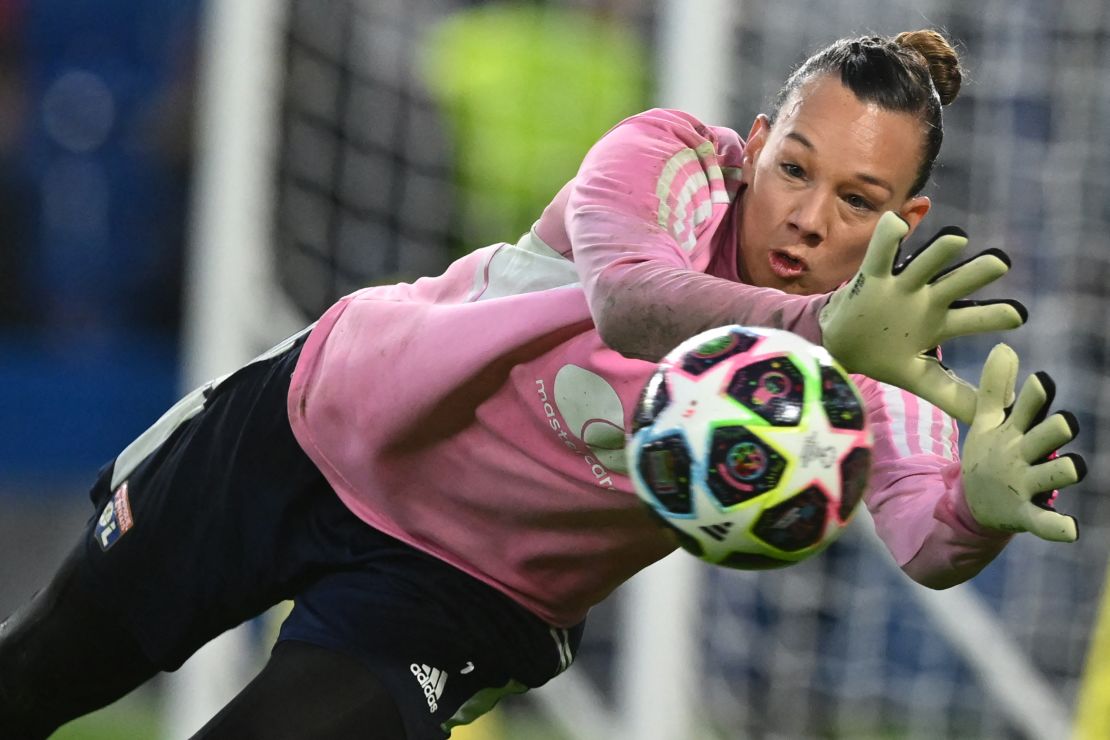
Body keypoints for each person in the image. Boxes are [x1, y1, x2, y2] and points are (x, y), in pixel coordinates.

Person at [0, 29, 1085, 740]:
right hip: (307, 433)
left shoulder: (887, 358)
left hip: (456, 594)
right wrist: (816, 327)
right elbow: (632, 301)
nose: (809, 216)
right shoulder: (667, 159)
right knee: (33, 676)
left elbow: (921, 540)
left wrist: (975, 510)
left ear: (906, 225)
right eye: (795, 167)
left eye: (858, 200)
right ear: (755, 145)